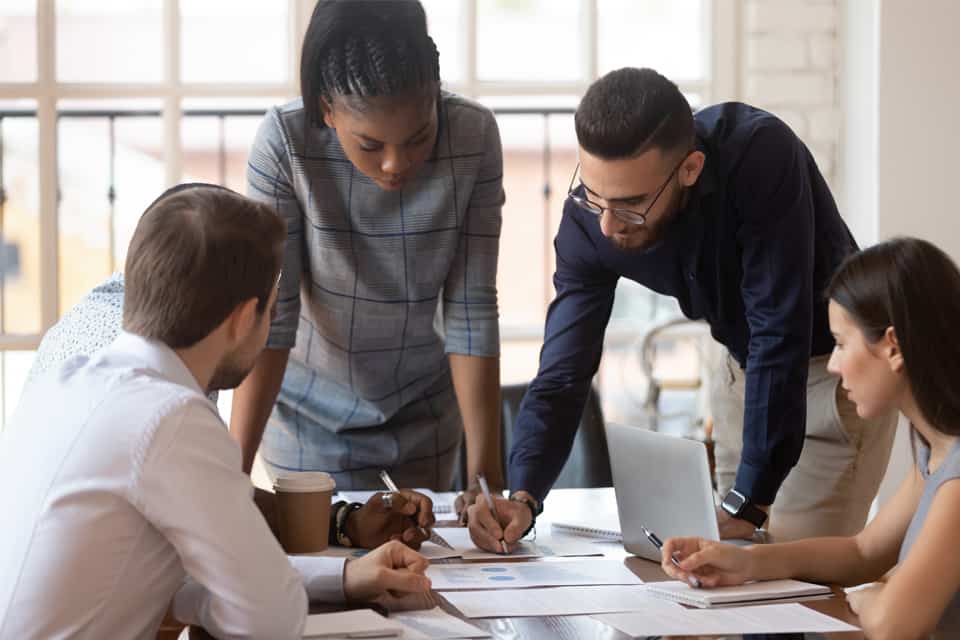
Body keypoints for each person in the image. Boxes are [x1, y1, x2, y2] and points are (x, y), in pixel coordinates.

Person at [467, 67, 897, 552]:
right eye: (594, 193)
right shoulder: (589, 220)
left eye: (631, 204)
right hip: (742, 374)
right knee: (728, 575)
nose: (608, 226)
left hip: (834, 380)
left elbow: (779, 329)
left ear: (689, 169)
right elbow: (563, 372)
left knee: (798, 579)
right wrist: (524, 495)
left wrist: (749, 502)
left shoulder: (759, 155)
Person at [0, 184, 431, 640]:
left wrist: (342, 578)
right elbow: (268, 619)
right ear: (246, 317)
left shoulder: (67, 382)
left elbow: (166, 583)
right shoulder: (170, 416)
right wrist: (259, 595)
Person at [236, 0, 506, 507]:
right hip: (307, 418)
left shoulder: (473, 137)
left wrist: (485, 481)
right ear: (326, 109)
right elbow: (274, 316)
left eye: (419, 137)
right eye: (369, 144)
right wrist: (232, 473)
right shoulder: (285, 143)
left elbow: (472, 308)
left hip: (425, 414)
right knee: (327, 567)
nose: (394, 165)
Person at [662, 237, 960, 638]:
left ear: (892, 347)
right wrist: (746, 563)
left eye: (840, 344)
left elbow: (894, 624)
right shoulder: (935, 450)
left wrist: (877, 600)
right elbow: (864, 552)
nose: (833, 365)